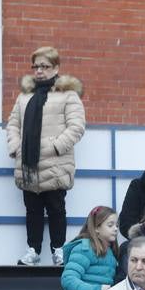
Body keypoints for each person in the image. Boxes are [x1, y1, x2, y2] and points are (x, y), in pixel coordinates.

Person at [5, 46, 87, 266]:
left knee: (56, 209)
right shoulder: (25, 96)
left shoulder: (68, 95)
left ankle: (59, 250)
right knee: (32, 209)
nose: (39, 71)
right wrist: (16, 146)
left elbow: (77, 126)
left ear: (56, 67)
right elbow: (13, 124)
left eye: (44, 66)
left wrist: (55, 147)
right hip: (28, 163)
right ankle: (32, 250)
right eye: (36, 66)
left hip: (55, 164)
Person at [59, 205, 120, 290]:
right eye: (110, 225)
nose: (115, 229)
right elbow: (68, 279)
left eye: (117, 225)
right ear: (96, 228)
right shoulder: (84, 248)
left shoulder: (110, 252)